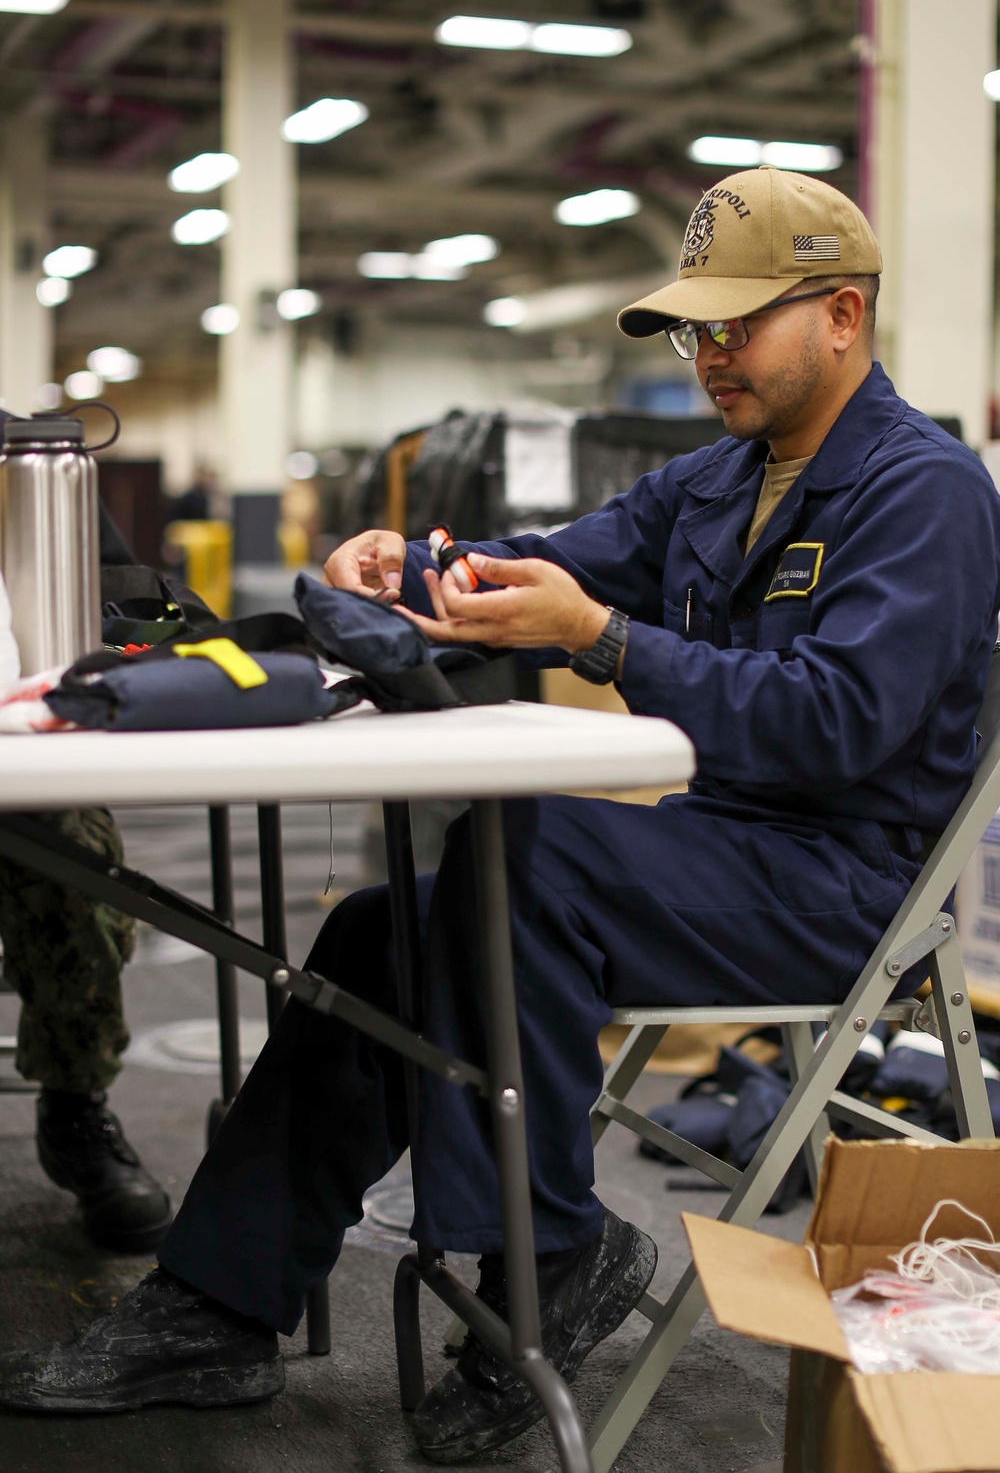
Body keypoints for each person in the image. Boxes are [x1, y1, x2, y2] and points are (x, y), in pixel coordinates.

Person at [3, 166, 999, 1463]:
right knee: (379, 935)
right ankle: (216, 1306)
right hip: (719, 853)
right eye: (695, 328)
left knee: (520, 854)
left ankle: (547, 1257)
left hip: (838, 888)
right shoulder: (717, 480)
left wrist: (604, 644)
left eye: (737, 324)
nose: (710, 354)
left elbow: (839, 721)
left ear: (844, 315)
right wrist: (401, 559)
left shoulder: (922, 492)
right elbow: (546, 556)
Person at [0, 427, 172, 1254]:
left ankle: (74, 1110)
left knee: (75, 851)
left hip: (16, 741)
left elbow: (124, 598)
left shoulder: (19, 453)